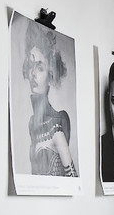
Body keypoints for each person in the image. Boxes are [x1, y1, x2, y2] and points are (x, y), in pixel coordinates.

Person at [24, 22, 77, 177]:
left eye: (40, 68)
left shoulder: (57, 121)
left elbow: (72, 178)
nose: (33, 73)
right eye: (30, 66)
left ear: (50, 76)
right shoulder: (32, 122)